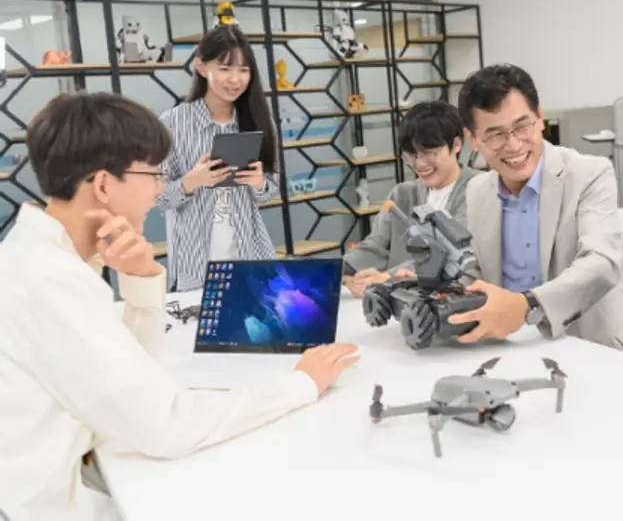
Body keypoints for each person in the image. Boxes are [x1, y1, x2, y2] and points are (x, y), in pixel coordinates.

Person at [0, 91, 358, 521]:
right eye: (153, 174)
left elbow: (131, 372)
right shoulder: (51, 281)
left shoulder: (39, 257)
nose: (159, 189)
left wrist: (141, 279)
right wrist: (301, 385)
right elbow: (164, 425)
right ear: (103, 185)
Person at [441, 63, 623, 355]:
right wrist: (428, 285)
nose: (513, 145)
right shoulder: (478, 190)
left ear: (540, 117)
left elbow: (603, 262)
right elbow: (476, 272)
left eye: (522, 126)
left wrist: (527, 305)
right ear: (473, 140)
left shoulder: (590, 174)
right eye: (495, 134)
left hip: (599, 346)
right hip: (516, 348)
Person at [156, 24, 279, 292]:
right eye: (225, 68)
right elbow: (159, 199)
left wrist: (259, 183)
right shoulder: (172, 123)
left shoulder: (259, 120)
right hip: (195, 266)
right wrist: (191, 181)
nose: (235, 79)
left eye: (243, 70)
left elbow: (270, 192)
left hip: (251, 257)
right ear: (201, 67)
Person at [343, 100, 478, 297]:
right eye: (412, 155)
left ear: (456, 144)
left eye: (429, 153)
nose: (419, 164)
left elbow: (449, 256)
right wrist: (339, 271)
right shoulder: (401, 194)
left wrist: (388, 278)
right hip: (400, 302)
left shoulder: (477, 189)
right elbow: (375, 247)